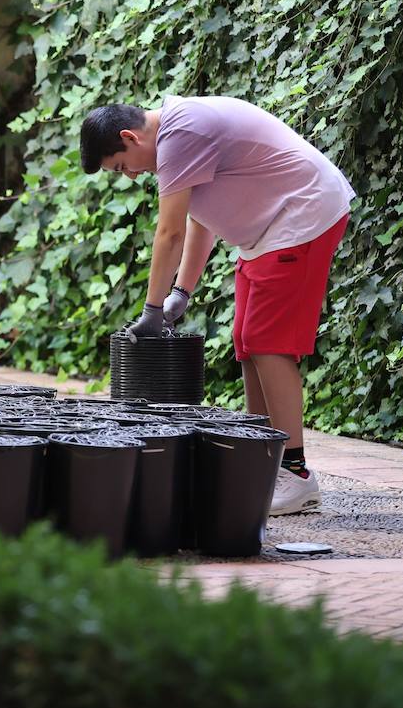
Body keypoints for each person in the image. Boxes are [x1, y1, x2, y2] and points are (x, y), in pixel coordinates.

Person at [80, 97, 353, 515]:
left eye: (122, 166)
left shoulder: (180, 133)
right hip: (272, 228)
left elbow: (169, 233)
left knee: (268, 343)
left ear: (128, 137)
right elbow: (199, 220)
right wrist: (180, 294)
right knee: (246, 340)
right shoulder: (178, 134)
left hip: (302, 215)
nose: (131, 175)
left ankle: (294, 474)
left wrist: (152, 312)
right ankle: (261, 462)